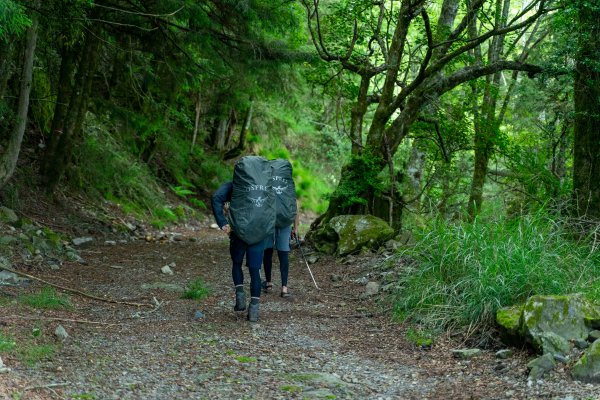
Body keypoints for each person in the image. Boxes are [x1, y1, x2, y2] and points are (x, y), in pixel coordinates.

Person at [212, 181, 265, 322]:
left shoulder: (235, 184)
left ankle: (240, 297)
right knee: (255, 270)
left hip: (238, 232)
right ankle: (254, 309)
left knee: (237, 263)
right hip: (259, 232)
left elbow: (216, 197)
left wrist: (223, 222)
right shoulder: (265, 184)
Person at [262, 202, 300, 297]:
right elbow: (295, 206)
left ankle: (269, 283)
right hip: (285, 222)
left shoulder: (267, 186)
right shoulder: (287, 187)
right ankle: (284, 288)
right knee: (283, 254)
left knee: (267, 251)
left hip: (269, 221)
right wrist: (295, 227)